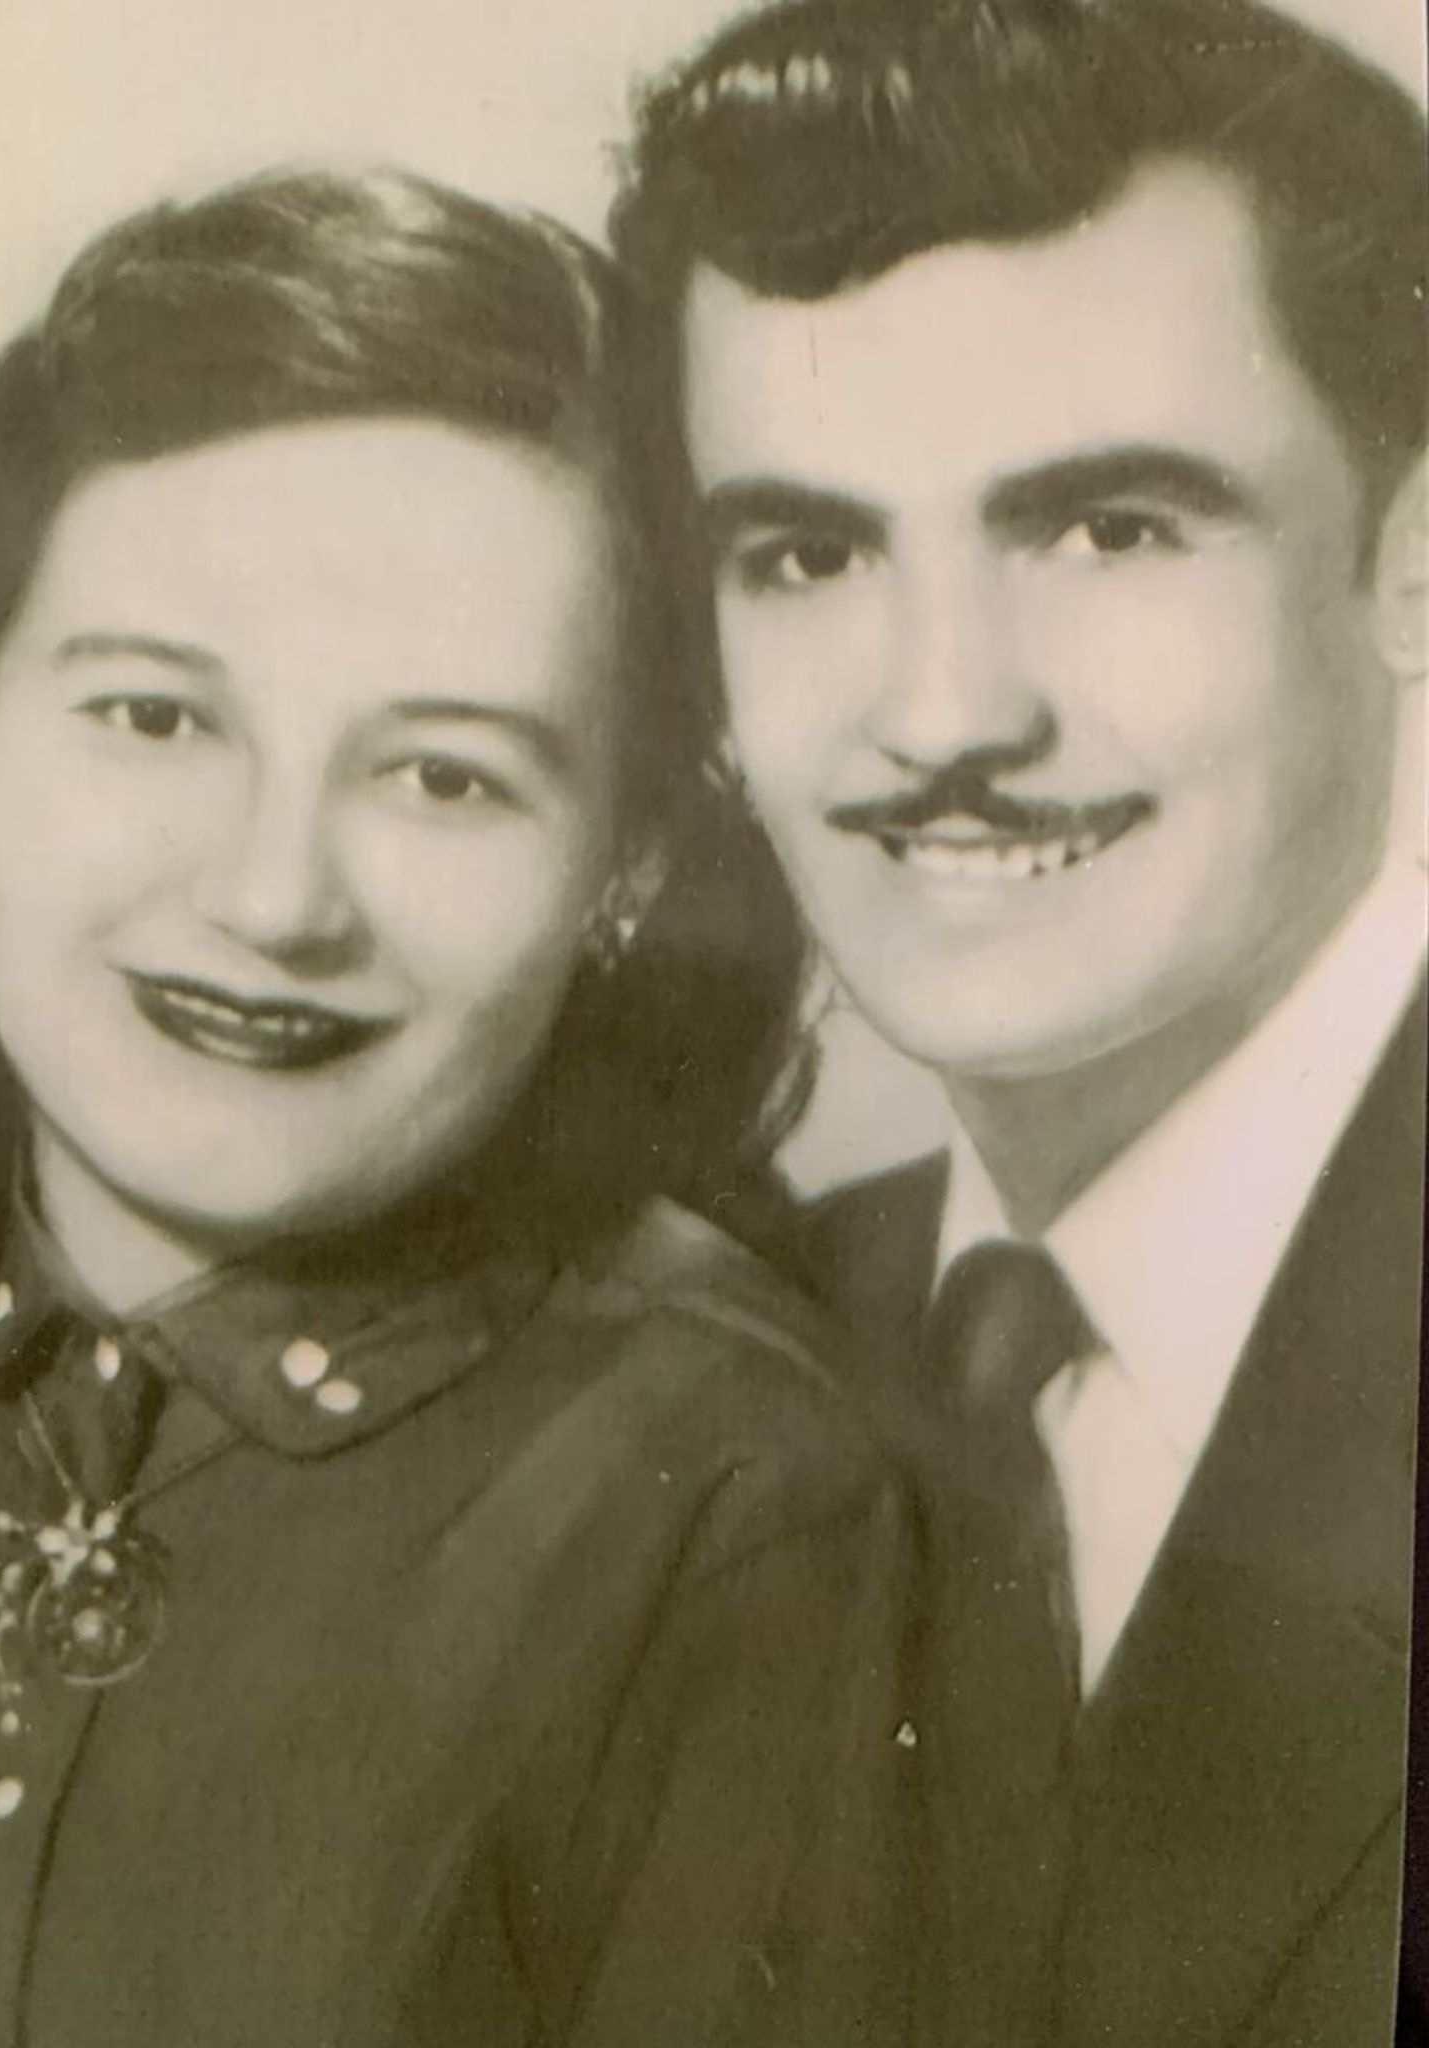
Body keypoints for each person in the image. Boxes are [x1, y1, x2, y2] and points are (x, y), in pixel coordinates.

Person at [0, 165, 922, 2046]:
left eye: (444, 777)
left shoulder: (734, 1502)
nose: (275, 897)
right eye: (154, 717)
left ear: (623, 865)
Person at [611, 2, 1427, 2043]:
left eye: (1109, 528)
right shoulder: (718, 1360)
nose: (944, 712)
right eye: (806, 552)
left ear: (1410, 563)